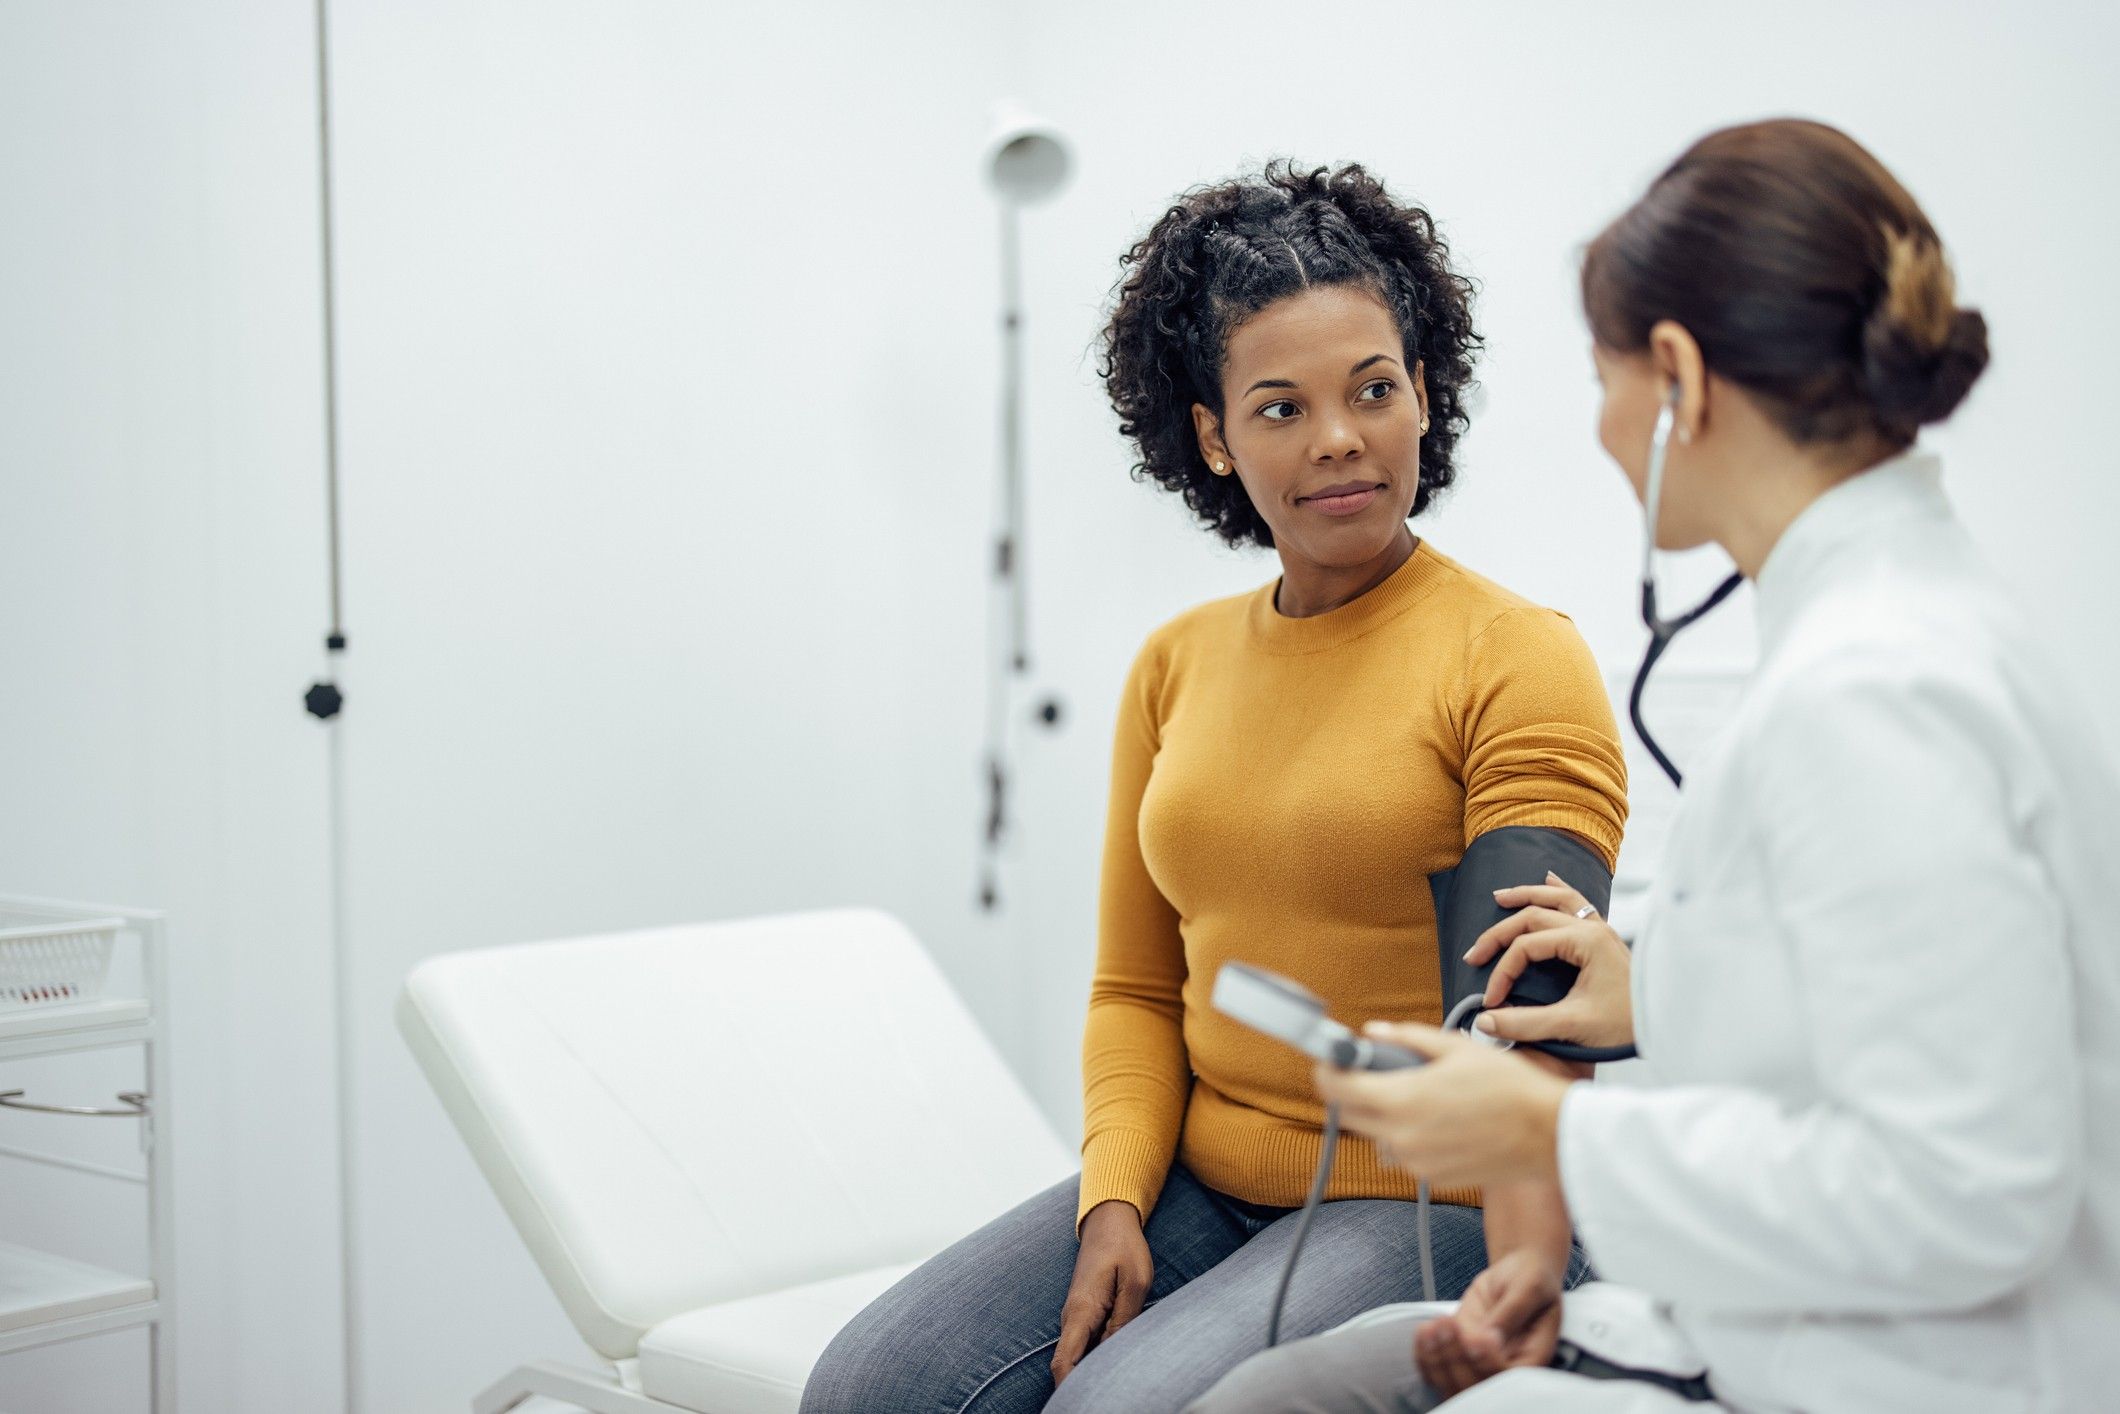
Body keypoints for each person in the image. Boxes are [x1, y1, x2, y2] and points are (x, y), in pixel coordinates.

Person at [1189, 118, 2120, 1414]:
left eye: (1605, 375)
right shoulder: (1904, 631)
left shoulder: (1873, 691)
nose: (1606, 427)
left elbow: (1971, 1186)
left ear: (1677, 376)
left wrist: (1549, 1132)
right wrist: (1662, 991)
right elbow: (1909, 1008)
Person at [799, 161, 1628, 1414]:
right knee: (875, 1383)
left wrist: (1523, 1261)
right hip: (1202, 1177)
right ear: (1212, 436)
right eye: (1280, 406)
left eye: (1372, 389)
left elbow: (1520, 1038)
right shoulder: (1174, 665)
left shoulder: (1512, 656)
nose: (1338, 437)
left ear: (1422, 394)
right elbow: (1135, 985)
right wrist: (1112, 1200)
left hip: (1426, 1195)